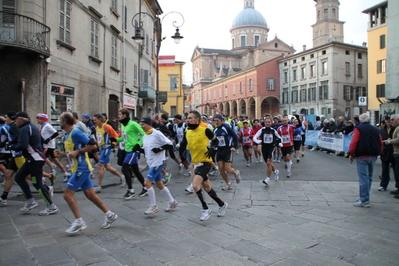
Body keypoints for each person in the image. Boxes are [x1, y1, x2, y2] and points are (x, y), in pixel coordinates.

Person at [54, 112, 117, 233]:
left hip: (82, 168)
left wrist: (78, 152)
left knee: (67, 194)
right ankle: (110, 215)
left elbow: (93, 145)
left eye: (60, 120)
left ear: (65, 121)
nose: (59, 122)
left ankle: (79, 221)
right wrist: (62, 154)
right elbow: (72, 153)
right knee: (90, 195)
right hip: (76, 168)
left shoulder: (75, 133)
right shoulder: (67, 134)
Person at [179, 110, 228, 221]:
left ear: (197, 120)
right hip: (195, 163)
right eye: (187, 118)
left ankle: (205, 209)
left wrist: (212, 149)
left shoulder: (206, 130)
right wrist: (182, 157)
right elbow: (183, 145)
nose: (188, 120)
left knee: (195, 186)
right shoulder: (187, 132)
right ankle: (222, 204)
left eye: (190, 118)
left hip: (205, 162)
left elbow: (216, 142)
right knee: (207, 188)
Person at [8, 112, 59, 215]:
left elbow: (23, 145)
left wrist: (11, 147)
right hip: (34, 158)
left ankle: (51, 206)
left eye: (16, 119)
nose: (15, 121)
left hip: (34, 159)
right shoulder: (32, 127)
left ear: (21, 119)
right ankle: (31, 201)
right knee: (19, 177)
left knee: (36, 182)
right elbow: (41, 141)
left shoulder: (24, 129)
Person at [137, 117, 178, 214]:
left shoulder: (157, 133)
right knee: (159, 184)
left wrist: (159, 149)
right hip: (151, 163)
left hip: (157, 163)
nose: (141, 126)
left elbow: (169, 144)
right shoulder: (145, 136)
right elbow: (148, 150)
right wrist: (138, 149)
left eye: (143, 124)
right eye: (140, 124)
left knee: (147, 183)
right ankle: (172, 202)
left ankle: (153, 206)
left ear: (149, 124)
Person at [349, 113, 383, 207]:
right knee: (369, 177)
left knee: (363, 177)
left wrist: (351, 153)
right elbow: (380, 142)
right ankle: (365, 196)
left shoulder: (358, 129)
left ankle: (364, 199)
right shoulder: (376, 129)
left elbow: (354, 142)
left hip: (362, 155)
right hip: (373, 155)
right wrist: (379, 152)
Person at [114, 108, 147, 199]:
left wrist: (139, 144)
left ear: (125, 115)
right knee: (135, 171)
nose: (118, 116)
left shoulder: (133, 124)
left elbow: (143, 134)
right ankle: (145, 187)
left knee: (124, 169)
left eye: (120, 114)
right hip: (127, 149)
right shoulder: (123, 125)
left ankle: (130, 190)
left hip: (133, 150)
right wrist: (115, 140)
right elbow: (124, 138)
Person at [92, 114, 124, 193]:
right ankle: (122, 177)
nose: (94, 121)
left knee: (100, 166)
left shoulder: (107, 127)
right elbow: (99, 138)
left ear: (100, 119)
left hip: (106, 148)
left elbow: (115, 135)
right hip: (101, 148)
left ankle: (99, 186)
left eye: (95, 120)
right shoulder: (96, 128)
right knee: (108, 167)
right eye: (93, 120)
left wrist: (113, 144)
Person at [0, 111, 25, 206]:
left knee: (25, 175)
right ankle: (3, 197)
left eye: (6, 117)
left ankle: (45, 184)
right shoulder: (11, 126)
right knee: (8, 174)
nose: (5, 119)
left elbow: (20, 137)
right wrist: (9, 143)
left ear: (10, 118)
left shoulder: (13, 126)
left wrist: (11, 146)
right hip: (15, 154)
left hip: (18, 154)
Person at [36, 113, 68, 185]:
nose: (37, 120)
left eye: (38, 118)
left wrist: (48, 139)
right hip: (46, 145)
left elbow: (56, 133)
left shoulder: (47, 126)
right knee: (55, 160)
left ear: (42, 119)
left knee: (42, 160)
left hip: (48, 146)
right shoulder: (43, 126)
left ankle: (42, 177)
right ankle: (65, 173)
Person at [212, 114, 241, 191]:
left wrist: (234, 147)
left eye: (217, 120)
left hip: (228, 150)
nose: (216, 122)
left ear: (221, 121)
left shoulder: (226, 127)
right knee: (221, 169)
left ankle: (236, 173)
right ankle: (228, 183)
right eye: (215, 121)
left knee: (227, 169)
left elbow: (235, 137)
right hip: (219, 150)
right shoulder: (215, 130)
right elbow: (214, 140)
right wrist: (213, 145)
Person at [253, 117, 282, 186]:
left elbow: (279, 137)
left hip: (271, 147)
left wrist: (280, 143)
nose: (268, 123)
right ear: (264, 123)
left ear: (271, 123)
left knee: (269, 162)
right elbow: (255, 137)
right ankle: (275, 171)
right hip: (264, 148)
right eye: (266, 122)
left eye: (269, 122)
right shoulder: (262, 130)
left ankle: (267, 179)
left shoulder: (273, 130)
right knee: (268, 163)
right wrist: (258, 141)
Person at [384, 114, 399, 198]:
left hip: (398, 152)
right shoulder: (395, 128)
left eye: (393, 119)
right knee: (396, 172)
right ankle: (398, 188)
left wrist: (389, 141)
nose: (391, 121)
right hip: (396, 152)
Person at [379, 117, 394, 191]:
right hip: (384, 152)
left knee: (396, 170)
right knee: (385, 169)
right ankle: (383, 185)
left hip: (393, 151)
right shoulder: (382, 130)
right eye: (388, 121)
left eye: (391, 120)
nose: (389, 122)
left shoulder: (395, 129)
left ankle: (397, 186)